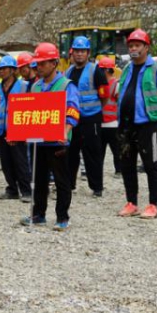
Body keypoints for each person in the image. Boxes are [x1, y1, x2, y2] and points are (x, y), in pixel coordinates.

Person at [21, 42, 80, 230]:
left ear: (54, 63)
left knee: (62, 181)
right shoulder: (35, 87)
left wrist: (65, 131)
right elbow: (29, 112)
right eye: (37, 64)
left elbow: (73, 111)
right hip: (39, 142)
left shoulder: (66, 85)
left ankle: (62, 217)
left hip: (57, 141)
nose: (39, 67)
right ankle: (38, 214)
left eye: (43, 63)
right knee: (39, 180)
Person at [114, 29, 157, 219]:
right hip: (126, 125)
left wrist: (155, 117)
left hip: (148, 125)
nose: (133, 49)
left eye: (137, 45)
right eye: (131, 46)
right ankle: (131, 203)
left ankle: (154, 204)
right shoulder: (127, 69)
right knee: (127, 164)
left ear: (146, 47)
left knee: (151, 164)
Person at [65, 36, 109, 197]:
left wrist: (96, 110)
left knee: (92, 153)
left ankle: (97, 187)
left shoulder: (96, 71)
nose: (79, 54)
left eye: (82, 51)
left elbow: (104, 95)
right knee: (70, 153)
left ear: (88, 53)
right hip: (72, 119)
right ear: (72, 52)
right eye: (77, 51)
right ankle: (69, 184)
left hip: (91, 118)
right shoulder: (68, 71)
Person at [0, 55, 32, 201]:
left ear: (13, 70)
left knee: (20, 161)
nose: (2, 71)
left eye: (5, 69)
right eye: (0, 69)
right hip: (1, 129)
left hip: (18, 130)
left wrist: (25, 131)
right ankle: (12, 189)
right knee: (6, 162)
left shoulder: (24, 86)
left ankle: (26, 191)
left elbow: (30, 107)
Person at [98, 56, 121, 175]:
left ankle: (119, 170)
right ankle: (98, 171)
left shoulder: (116, 84)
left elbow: (119, 102)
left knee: (116, 150)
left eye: (101, 70)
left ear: (107, 70)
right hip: (101, 123)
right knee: (100, 151)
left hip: (112, 123)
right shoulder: (100, 84)